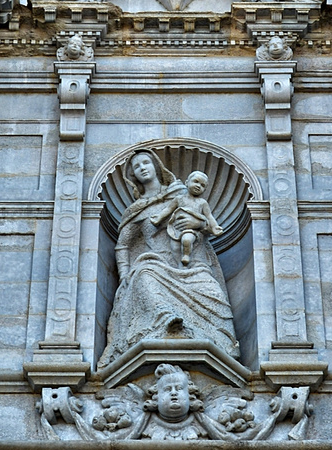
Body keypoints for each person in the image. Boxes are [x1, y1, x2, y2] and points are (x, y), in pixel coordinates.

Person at [98, 149, 238, 369]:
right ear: (133, 176)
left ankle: (223, 344)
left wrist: (198, 225)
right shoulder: (136, 210)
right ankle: (166, 320)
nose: (142, 168)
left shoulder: (181, 194)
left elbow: (209, 225)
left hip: (192, 264)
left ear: (156, 166)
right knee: (143, 275)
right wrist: (125, 275)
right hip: (153, 263)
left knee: (213, 292)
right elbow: (123, 245)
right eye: (136, 166)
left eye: (146, 162)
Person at [165, 171, 221, 265]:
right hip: (176, 228)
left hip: (191, 230)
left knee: (186, 240)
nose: (198, 186)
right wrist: (158, 217)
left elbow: (209, 216)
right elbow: (168, 209)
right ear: (186, 183)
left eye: (202, 185)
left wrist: (215, 227)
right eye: (196, 181)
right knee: (174, 247)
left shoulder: (202, 203)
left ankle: (186, 256)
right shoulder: (179, 199)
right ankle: (178, 266)